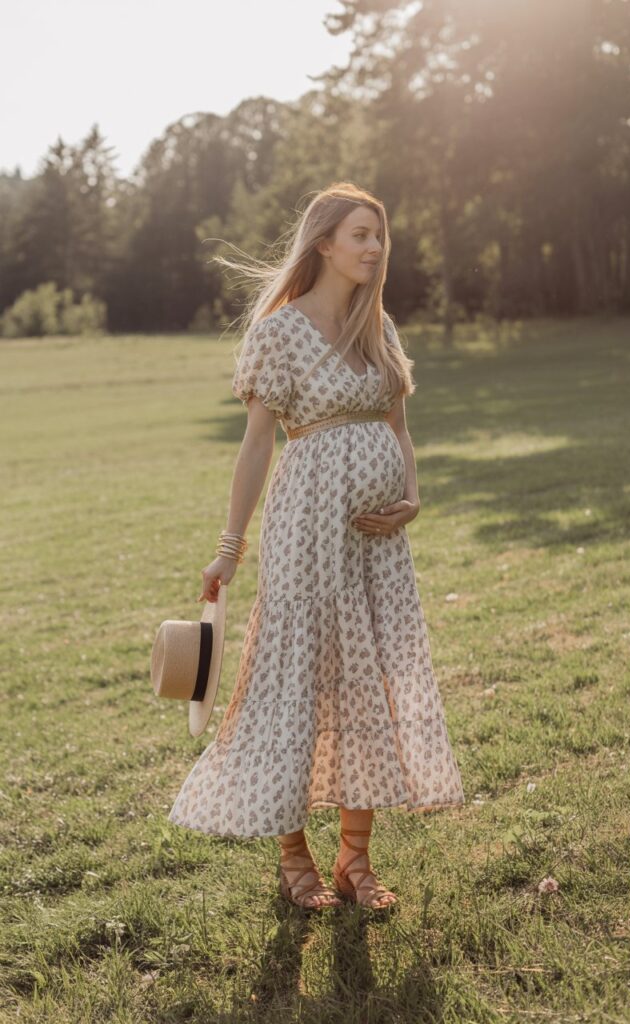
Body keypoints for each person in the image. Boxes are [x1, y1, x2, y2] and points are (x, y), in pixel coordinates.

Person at [168, 181, 465, 911]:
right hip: (306, 532)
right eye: (361, 234)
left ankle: (355, 862)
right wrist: (228, 549)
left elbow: (398, 429)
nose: (373, 248)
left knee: (368, 686)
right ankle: (294, 857)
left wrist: (412, 497)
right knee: (295, 684)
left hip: (377, 546)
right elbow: (256, 447)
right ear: (324, 243)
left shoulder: (379, 326)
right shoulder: (279, 332)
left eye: (379, 237)